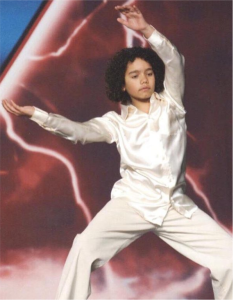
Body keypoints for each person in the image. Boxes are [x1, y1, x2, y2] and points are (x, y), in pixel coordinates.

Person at [2, 5, 233, 300]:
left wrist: (146, 30)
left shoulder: (172, 104)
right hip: (132, 204)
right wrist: (36, 114)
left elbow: (174, 59)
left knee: (229, 258)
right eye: (135, 75)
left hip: (176, 207)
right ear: (122, 83)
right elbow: (79, 132)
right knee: (83, 248)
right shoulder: (116, 122)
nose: (145, 79)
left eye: (149, 73)